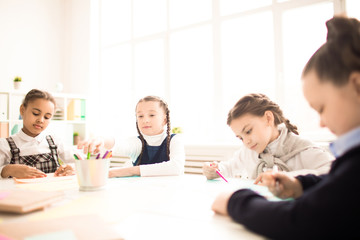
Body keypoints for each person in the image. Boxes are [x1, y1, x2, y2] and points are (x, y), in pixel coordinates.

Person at [211, 16, 360, 239]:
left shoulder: (313, 151)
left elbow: (302, 220)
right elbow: (341, 184)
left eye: (321, 108)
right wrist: (302, 183)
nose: (320, 122)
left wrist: (235, 201)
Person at [203, 93, 333, 180]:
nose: (246, 142)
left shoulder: (303, 149)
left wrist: (291, 178)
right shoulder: (249, 151)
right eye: (240, 138)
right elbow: (228, 169)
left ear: (268, 118)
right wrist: (215, 170)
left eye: (248, 131)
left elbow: (333, 173)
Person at [78, 96, 185, 177]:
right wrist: (102, 140)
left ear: (164, 120)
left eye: (152, 115)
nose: (145, 120)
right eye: (140, 116)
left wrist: (127, 170)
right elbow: (119, 144)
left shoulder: (175, 140)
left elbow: (176, 167)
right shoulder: (138, 143)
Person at [0, 89, 75, 179]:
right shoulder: (5, 145)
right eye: (36, 113)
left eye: (47, 117)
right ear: (22, 110)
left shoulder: (55, 142)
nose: (41, 120)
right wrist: (7, 170)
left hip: (52, 192)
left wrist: (71, 168)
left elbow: (78, 162)